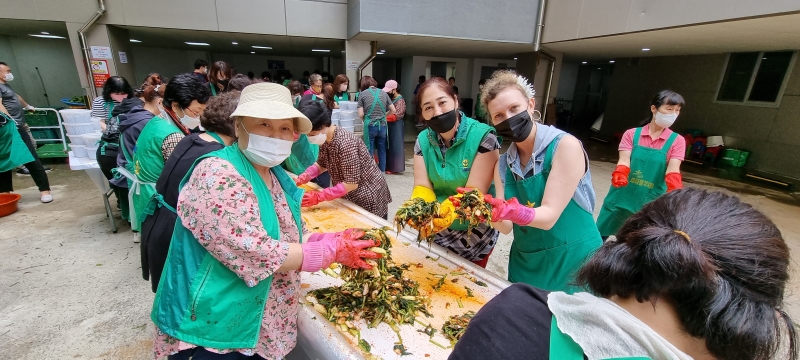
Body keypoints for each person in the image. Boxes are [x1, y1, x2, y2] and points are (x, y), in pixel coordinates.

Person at [152, 83, 381, 360]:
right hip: (214, 329)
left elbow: (292, 235)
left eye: (285, 128)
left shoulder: (277, 176)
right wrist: (332, 252)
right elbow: (257, 251)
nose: (276, 135)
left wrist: (335, 240)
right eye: (263, 124)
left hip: (257, 322)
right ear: (238, 127)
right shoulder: (219, 173)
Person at [450, 188, 797, 360]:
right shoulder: (510, 158)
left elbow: (552, 212)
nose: (508, 119)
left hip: (564, 243)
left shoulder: (513, 314)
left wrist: (519, 213)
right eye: (498, 114)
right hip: (531, 249)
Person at [480, 71, 601, 292]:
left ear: (530, 105)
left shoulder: (565, 146)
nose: (508, 118)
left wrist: (514, 211)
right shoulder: (503, 164)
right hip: (527, 264)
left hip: (575, 264)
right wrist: (483, 210)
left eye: (514, 108)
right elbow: (505, 227)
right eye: (498, 115)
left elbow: (549, 216)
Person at [141, 91, 239, 293]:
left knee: (171, 290)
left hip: (160, 220)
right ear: (238, 124)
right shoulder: (215, 157)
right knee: (181, 294)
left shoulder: (193, 139)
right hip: (175, 228)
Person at [397, 77, 500, 267]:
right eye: (428, 107)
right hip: (435, 231)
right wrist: (420, 209)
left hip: (474, 235)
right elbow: (422, 185)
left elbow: (473, 193)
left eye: (442, 103)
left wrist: (444, 212)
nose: (437, 112)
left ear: (456, 100)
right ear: (422, 114)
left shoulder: (484, 137)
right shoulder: (423, 140)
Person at [127, 74, 210, 237]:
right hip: (158, 200)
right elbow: (183, 180)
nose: (199, 118)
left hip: (145, 193)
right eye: (196, 112)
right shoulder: (173, 137)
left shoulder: (157, 120)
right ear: (176, 106)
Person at [597, 90, 687, 239]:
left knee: (635, 241)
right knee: (600, 236)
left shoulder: (677, 141)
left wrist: (676, 193)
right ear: (654, 109)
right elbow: (624, 159)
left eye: (677, 110)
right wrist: (620, 173)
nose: (673, 114)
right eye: (669, 109)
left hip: (650, 200)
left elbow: (673, 170)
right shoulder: (632, 134)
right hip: (622, 195)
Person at [294, 101, 392, 219]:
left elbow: (351, 184)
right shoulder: (325, 139)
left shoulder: (345, 143)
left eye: (313, 133)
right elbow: (321, 164)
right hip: (348, 194)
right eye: (308, 134)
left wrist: (319, 196)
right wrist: (303, 177)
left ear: (324, 125)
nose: (310, 138)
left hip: (368, 195)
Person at [97, 76, 152, 220]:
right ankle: (132, 220)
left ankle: (127, 216)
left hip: (107, 151)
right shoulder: (137, 117)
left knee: (121, 186)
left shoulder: (124, 113)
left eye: (123, 93)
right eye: (117, 93)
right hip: (113, 152)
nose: (121, 96)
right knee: (125, 186)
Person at [116, 74, 166, 228]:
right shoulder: (147, 122)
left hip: (129, 164)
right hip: (140, 170)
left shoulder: (135, 115)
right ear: (159, 102)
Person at [0, 62, 52, 203]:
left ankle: (44, 190)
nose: (9, 73)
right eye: (7, 71)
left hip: (16, 126)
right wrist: (10, 121)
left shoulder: (5, 86)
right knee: (11, 159)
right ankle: (5, 193)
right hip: (9, 129)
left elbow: (16, 97)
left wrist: (28, 106)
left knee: (28, 156)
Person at [357, 76, 395, 172]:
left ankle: (370, 173)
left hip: (370, 126)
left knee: (369, 150)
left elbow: (360, 114)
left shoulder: (362, 94)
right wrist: (384, 115)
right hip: (382, 126)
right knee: (382, 150)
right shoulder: (383, 93)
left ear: (364, 85)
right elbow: (393, 110)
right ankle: (382, 172)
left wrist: (366, 118)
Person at [383, 80, 405, 174]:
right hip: (390, 126)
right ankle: (389, 166)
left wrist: (383, 118)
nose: (387, 92)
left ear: (394, 90)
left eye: (389, 91)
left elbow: (396, 115)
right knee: (389, 145)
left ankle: (395, 168)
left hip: (397, 126)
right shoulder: (391, 99)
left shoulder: (400, 100)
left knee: (396, 146)